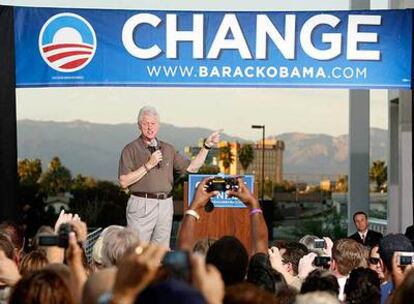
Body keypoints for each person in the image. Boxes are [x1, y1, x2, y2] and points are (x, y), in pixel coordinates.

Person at [118, 106, 221, 247]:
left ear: (158, 126)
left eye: (153, 123)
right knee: (138, 252)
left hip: (166, 204)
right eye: (145, 123)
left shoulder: (168, 149)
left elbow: (192, 167)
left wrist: (207, 146)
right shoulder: (130, 149)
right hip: (142, 203)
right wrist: (149, 165)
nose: (149, 127)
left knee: (161, 252)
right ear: (139, 125)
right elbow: (123, 182)